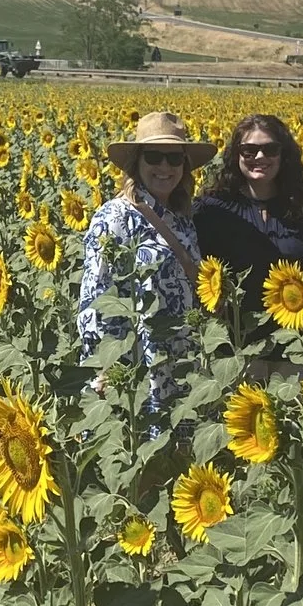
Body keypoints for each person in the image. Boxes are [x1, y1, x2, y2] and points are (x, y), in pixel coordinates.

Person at [78, 111, 212, 402]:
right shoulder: (115, 217)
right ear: (136, 163)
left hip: (183, 368)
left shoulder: (183, 218)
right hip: (136, 375)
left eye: (175, 159)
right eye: (154, 156)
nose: (165, 166)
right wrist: (106, 367)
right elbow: (95, 302)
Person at [195, 113, 303, 322]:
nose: (260, 157)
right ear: (236, 155)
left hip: (299, 342)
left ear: (283, 154)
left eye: (270, 149)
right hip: (231, 341)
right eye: (249, 150)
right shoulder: (212, 209)